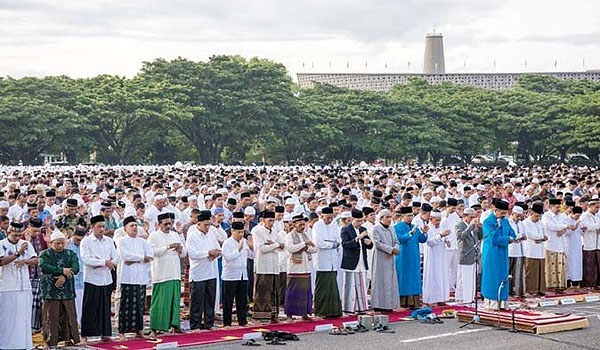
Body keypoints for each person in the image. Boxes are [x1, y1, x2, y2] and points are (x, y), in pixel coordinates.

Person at [80, 215, 119, 344]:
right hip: (92, 279)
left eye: (103, 226)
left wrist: (108, 262)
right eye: (99, 226)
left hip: (106, 278)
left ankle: (105, 334)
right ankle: (85, 335)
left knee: (105, 307)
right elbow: (85, 259)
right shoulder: (86, 241)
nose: (102, 229)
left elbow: (116, 256)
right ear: (92, 227)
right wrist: (102, 262)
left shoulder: (108, 240)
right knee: (90, 307)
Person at [38, 229, 80, 347]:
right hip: (51, 290)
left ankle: (69, 339)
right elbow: (44, 266)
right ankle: (50, 341)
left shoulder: (70, 253)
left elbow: (76, 267)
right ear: (51, 243)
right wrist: (62, 271)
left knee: (69, 315)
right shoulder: (44, 254)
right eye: (57, 243)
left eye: (62, 243)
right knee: (52, 316)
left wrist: (63, 276)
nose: (60, 245)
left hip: (67, 290)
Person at [0, 222, 38, 350]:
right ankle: (6, 345)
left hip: (24, 287)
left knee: (23, 318)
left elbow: (36, 260)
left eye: (19, 235)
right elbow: (1, 261)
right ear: (9, 232)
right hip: (8, 287)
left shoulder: (26, 244)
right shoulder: (2, 244)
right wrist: (18, 254)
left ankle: (22, 344)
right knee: (8, 318)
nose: (17, 238)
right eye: (15, 235)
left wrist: (25, 260)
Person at [148, 213, 186, 337]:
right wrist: (167, 247)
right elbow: (152, 253)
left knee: (174, 302)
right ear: (159, 224)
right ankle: (155, 327)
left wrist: (180, 249)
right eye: (165, 224)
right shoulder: (154, 236)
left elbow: (184, 253)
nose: (168, 226)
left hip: (174, 273)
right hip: (161, 274)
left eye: (170, 223)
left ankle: (175, 325)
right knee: (159, 302)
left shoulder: (175, 234)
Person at [116, 216, 153, 341]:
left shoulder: (142, 241)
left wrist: (135, 259)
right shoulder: (122, 241)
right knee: (125, 305)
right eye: (132, 225)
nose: (135, 228)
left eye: (136, 225)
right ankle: (122, 332)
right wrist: (142, 258)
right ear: (125, 228)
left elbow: (151, 255)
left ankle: (139, 330)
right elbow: (126, 257)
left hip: (140, 277)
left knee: (139, 306)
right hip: (127, 277)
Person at [186, 210, 221, 330]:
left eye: (209, 224)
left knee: (210, 300)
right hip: (198, 273)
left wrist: (215, 253)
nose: (207, 227)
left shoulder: (211, 234)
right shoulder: (193, 235)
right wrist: (207, 253)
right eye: (205, 225)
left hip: (211, 271)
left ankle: (209, 324)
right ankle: (195, 325)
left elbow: (218, 248)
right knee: (197, 301)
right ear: (198, 224)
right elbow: (192, 254)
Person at [481, 199, 515, 310]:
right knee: (492, 276)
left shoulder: (505, 221)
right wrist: (507, 239)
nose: (503, 215)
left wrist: (512, 238)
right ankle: (492, 303)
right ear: (495, 210)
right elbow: (493, 238)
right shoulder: (488, 222)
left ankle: (502, 302)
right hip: (491, 252)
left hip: (503, 252)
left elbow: (512, 233)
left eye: (505, 213)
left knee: (503, 275)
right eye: (501, 213)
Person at [340, 210, 373, 314]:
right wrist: (358, 238)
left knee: (361, 285)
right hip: (350, 261)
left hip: (361, 260)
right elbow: (346, 244)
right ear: (352, 219)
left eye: (361, 221)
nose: (360, 223)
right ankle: (348, 308)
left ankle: (362, 308)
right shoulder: (345, 229)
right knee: (350, 285)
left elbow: (369, 245)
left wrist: (369, 242)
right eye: (358, 221)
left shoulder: (363, 229)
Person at [312, 207, 343, 318]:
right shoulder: (317, 226)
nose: (329, 220)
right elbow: (319, 243)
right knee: (322, 287)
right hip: (322, 261)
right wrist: (331, 244)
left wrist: (332, 243)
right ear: (322, 216)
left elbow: (339, 240)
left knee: (333, 287)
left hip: (333, 261)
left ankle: (334, 311)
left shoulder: (334, 225)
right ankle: (321, 311)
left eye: (331, 217)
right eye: (327, 217)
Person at [252, 210, 282, 323]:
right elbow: (262, 248)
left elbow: (282, 245)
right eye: (269, 220)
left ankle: (273, 316)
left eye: (273, 220)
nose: (271, 223)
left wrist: (273, 245)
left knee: (274, 292)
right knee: (262, 291)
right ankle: (260, 317)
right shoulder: (258, 231)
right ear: (263, 220)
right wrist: (276, 245)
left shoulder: (274, 231)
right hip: (263, 266)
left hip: (274, 266)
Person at [284, 214, 316, 320]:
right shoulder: (290, 236)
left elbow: (314, 249)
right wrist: (304, 245)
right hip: (295, 268)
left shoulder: (306, 235)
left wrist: (305, 247)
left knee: (305, 292)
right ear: (294, 225)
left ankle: (304, 314)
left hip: (306, 267)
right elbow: (290, 248)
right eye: (300, 224)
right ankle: (289, 314)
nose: (303, 227)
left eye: (304, 224)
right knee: (293, 292)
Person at [394, 207, 425, 309]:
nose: (410, 217)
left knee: (414, 277)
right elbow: (399, 240)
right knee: (404, 277)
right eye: (408, 216)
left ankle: (414, 302)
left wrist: (424, 232)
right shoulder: (397, 227)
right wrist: (410, 233)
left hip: (414, 255)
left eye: (411, 215)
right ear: (403, 216)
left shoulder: (414, 226)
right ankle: (403, 302)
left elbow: (422, 239)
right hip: (403, 256)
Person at [371, 209, 400, 312]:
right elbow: (377, 243)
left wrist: (396, 248)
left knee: (390, 281)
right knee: (380, 280)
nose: (389, 219)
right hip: (380, 258)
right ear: (381, 218)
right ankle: (379, 304)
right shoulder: (376, 229)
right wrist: (391, 250)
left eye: (390, 217)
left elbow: (396, 241)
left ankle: (389, 304)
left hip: (390, 258)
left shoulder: (392, 229)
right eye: (387, 217)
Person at [221, 221, 249, 327]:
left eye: (242, 232)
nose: (241, 234)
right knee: (228, 300)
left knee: (241, 300)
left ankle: (242, 321)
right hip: (230, 275)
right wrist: (238, 250)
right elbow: (227, 257)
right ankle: (227, 323)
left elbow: (251, 255)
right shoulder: (227, 243)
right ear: (232, 231)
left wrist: (251, 246)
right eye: (238, 232)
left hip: (242, 274)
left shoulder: (244, 241)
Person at [423, 210, 451, 305]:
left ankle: (441, 298)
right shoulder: (428, 228)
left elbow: (443, 238)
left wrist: (446, 240)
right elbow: (429, 242)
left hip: (441, 255)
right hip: (432, 256)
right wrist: (441, 235)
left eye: (439, 220)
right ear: (431, 219)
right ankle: (430, 299)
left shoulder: (441, 227)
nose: (438, 222)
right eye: (436, 220)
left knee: (441, 275)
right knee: (432, 276)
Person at [455, 208, 482, 304]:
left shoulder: (473, 226)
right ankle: (463, 298)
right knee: (464, 278)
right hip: (465, 254)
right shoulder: (459, 225)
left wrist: (479, 228)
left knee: (471, 278)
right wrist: (470, 227)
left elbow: (479, 237)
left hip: (473, 254)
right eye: (471, 217)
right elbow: (460, 236)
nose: (472, 219)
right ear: (465, 216)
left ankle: (470, 297)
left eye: (474, 217)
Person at [542, 198, 569, 293]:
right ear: (551, 207)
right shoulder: (546, 216)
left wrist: (563, 229)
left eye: (559, 207)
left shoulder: (562, 215)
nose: (558, 209)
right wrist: (563, 227)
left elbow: (566, 224)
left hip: (561, 243)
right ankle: (550, 286)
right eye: (557, 207)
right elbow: (550, 226)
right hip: (550, 244)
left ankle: (560, 286)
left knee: (560, 266)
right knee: (551, 266)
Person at [523, 202, 547, 296]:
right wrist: (540, 238)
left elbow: (544, 235)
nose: (538, 218)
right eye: (536, 216)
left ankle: (539, 289)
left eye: (539, 216)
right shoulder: (526, 223)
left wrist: (541, 238)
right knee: (531, 271)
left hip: (540, 250)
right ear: (531, 213)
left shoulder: (540, 223)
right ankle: (530, 290)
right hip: (530, 250)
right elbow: (530, 235)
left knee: (540, 271)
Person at [27, 217, 47, 332]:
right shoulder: (23, 237)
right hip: (27, 275)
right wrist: (28, 241)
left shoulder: (41, 237)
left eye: (38, 231)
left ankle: (36, 327)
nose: (37, 233)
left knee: (38, 302)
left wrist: (48, 241)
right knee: (28, 302)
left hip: (39, 274)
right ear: (29, 228)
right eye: (34, 231)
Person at [66, 226, 86, 324]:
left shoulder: (86, 244)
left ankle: (81, 323)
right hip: (71, 277)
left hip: (83, 277)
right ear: (73, 235)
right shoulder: (67, 244)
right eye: (77, 239)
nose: (79, 242)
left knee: (82, 301)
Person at [580, 197, 600, 289]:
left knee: (596, 266)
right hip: (588, 244)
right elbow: (587, 227)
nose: (597, 209)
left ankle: (595, 284)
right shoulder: (585, 216)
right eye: (596, 207)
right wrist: (597, 226)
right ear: (590, 206)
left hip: (596, 244)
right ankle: (588, 285)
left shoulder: (596, 216)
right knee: (589, 266)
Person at [508, 204, 527, 297]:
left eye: (520, 216)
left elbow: (524, 234)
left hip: (519, 250)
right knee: (508, 272)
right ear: (513, 213)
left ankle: (518, 291)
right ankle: (508, 291)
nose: (519, 218)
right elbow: (510, 235)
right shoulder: (507, 222)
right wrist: (517, 237)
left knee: (518, 272)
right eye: (517, 216)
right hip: (510, 250)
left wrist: (521, 237)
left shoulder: (521, 223)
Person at [565, 206, 583, 288]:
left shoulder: (579, 221)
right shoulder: (567, 220)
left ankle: (576, 282)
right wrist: (573, 228)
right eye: (576, 216)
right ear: (572, 213)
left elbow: (581, 232)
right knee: (569, 263)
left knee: (577, 263)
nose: (577, 217)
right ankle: (568, 282)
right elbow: (565, 233)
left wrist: (583, 229)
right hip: (569, 245)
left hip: (577, 244)